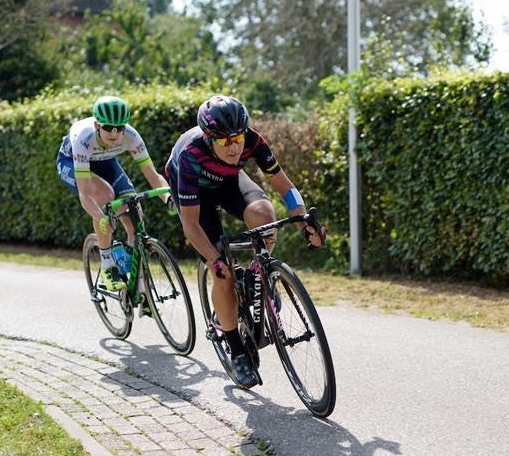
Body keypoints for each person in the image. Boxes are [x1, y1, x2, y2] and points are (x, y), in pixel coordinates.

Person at [166, 95, 324, 389]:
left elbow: (285, 187)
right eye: (225, 141)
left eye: (237, 138)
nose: (234, 146)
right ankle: (236, 349)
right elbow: (190, 224)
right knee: (223, 274)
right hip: (195, 195)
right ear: (209, 138)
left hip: (228, 182)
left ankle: (257, 274)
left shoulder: (253, 140)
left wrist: (304, 219)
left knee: (264, 213)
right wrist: (214, 260)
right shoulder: (190, 155)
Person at [56, 96, 172, 293]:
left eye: (120, 128)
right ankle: (108, 264)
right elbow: (85, 194)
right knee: (106, 195)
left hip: (107, 163)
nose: (115, 133)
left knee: (134, 210)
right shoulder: (83, 139)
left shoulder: (131, 136)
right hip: (71, 163)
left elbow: (153, 176)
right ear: (97, 125)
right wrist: (102, 218)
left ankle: (137, 281)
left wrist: (170, 199)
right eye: (108, 127)